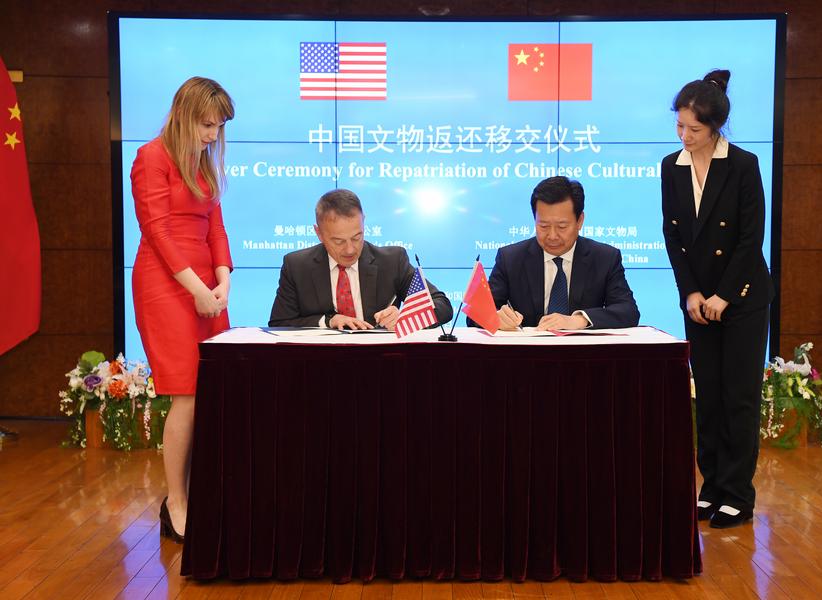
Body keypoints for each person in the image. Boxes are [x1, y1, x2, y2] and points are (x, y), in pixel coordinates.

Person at [661, 70, 774, 529]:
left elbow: (750, 238)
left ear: (715, 127)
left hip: (742, 298)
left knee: (738, 397)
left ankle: (737, 493)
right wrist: (691, 292)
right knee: (706, 396)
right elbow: (673, 236)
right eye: (679, 126)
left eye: (693, 128)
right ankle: (710, 488)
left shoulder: (743, 164)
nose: (684, 136)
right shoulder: (671, 166)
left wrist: (724, 296)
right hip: (698, 302)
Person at [131, 77, 235, 543]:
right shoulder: (151, 157)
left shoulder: (204, 164)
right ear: (183, 114)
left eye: (218, 127)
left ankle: (198, 494)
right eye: (206, 124)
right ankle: (176, 502)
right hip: (165, 284)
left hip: (205, 286)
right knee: (187, 394)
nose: (212, 135)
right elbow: (157, 231)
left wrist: (222, 281)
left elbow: (216, 229)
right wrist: (195, 288)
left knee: (210, 390)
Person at [269, 189, 453, 331]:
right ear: (319, 233)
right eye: (338, 241)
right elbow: (279, 323)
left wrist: (406, 316)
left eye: (357, 237)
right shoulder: (297, 266)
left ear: (363, 221)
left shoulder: (391, 261)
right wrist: (328, 320)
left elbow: (442, 305)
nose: (350, 249)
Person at [485, 176, 640, 331]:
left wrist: (580, 320)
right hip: (527, 346)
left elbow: (628, 311)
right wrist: (496, 318)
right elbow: (477, 314)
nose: (552, 236)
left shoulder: (604, 258)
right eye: (543, 226)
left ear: (580, 221)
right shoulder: (510, 258)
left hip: (583, 347)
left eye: (562, 226)